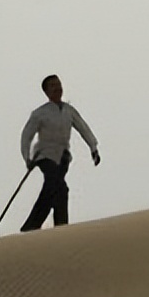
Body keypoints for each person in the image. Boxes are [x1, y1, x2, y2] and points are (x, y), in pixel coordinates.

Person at [19, 74, 100, 232]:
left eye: (58, 84)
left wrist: (93, 148)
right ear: (47, 92)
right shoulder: (39, 113)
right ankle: (41, 225)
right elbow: (26, 136)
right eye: (53, 86)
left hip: (63, 157)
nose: (57, 88)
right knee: (57, 185)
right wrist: (26, 158)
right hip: (44, 156)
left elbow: (83, 128)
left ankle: (57, 227)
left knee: (57, 189)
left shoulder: (69, 111)